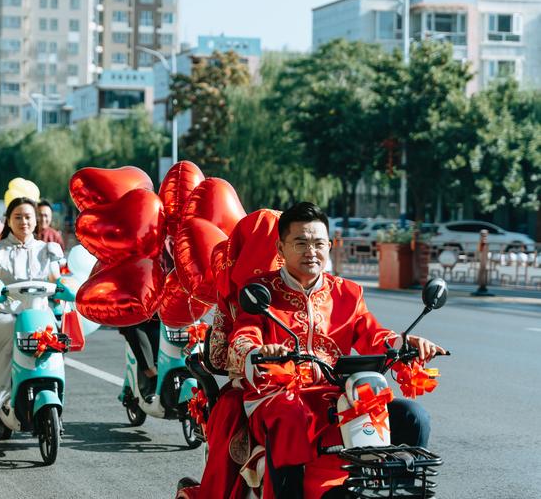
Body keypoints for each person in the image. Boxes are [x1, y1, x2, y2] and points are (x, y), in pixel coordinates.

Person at [181, 202, 445, 499]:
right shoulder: (259, 291)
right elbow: (244, 336)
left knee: (413, 416)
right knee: (289, 413)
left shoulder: (348, 292)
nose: (311, 251)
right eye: (301, 243)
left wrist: (404, 343)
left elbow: (373, 333)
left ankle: (396, 493)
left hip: (338, 395)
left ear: (329, 246)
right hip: (276, 396)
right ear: (281, 248)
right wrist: (259, 349)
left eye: (318, 243)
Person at [0, 197, 64, 412]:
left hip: (39, 313)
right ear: (8, 220)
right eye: (18, 217)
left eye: (28, 217)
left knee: (54, 337)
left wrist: (64, 291)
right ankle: (2, 395)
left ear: (36, 220)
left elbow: (56, 282)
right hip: (3, 313)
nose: (24, 221)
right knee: (17, 330)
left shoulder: (48, 250)